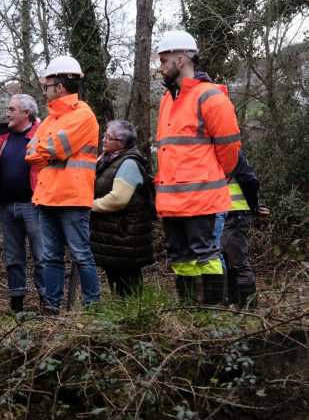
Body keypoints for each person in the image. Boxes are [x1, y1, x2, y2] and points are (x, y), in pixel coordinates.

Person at [153, 30, 240, 304]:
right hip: (172, 198)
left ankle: (213, 315)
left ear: (181, 60)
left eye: (163, 61)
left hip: (202, 197)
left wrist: (213, 178)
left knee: (206, 254)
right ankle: (190, 312)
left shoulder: (210, 97)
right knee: (179, 255)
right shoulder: (167, 99)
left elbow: (229, 150)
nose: (160, 67)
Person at [24, 56, 101, 312]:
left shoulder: (84, 116)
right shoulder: (48, 121)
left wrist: (43, 149)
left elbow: (57, 147)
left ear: (59, 87)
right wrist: (45, 150)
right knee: (51, 258)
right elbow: (29, 152)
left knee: (81, 255)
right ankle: (52, 308)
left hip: (72, 198)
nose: (44, 91)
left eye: (46, 86)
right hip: (47, 197)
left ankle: (92, 309)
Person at [0, 93, 45, 314]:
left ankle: (47, 302)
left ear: (26, 113)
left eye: (12, 109)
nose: (7, 113)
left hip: (34, 206)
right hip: (7, 207)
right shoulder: (2, 138)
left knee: (42, 257)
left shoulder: (42, 134)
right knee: (13, 259)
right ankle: (16, 305)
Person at [90, 120, 155, 296]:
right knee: (114, 275)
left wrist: (92, 205)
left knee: (128, 278)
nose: (103, 140)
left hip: (126, 233)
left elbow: (118, 199)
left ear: (121, 143)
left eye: (108, 137)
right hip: (113, 233)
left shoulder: (128, 164)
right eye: (104, 135)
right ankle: (120, 314)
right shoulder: (106, 159)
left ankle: (135, 314)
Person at [222, 150, 269, 308]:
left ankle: (249, 310)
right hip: (227, 214)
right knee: (226, 264)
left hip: (235, 215)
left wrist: (254, 205)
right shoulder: (220, 151)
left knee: (238, 264)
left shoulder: (231, 152)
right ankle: (235, 306)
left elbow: (250, 181)